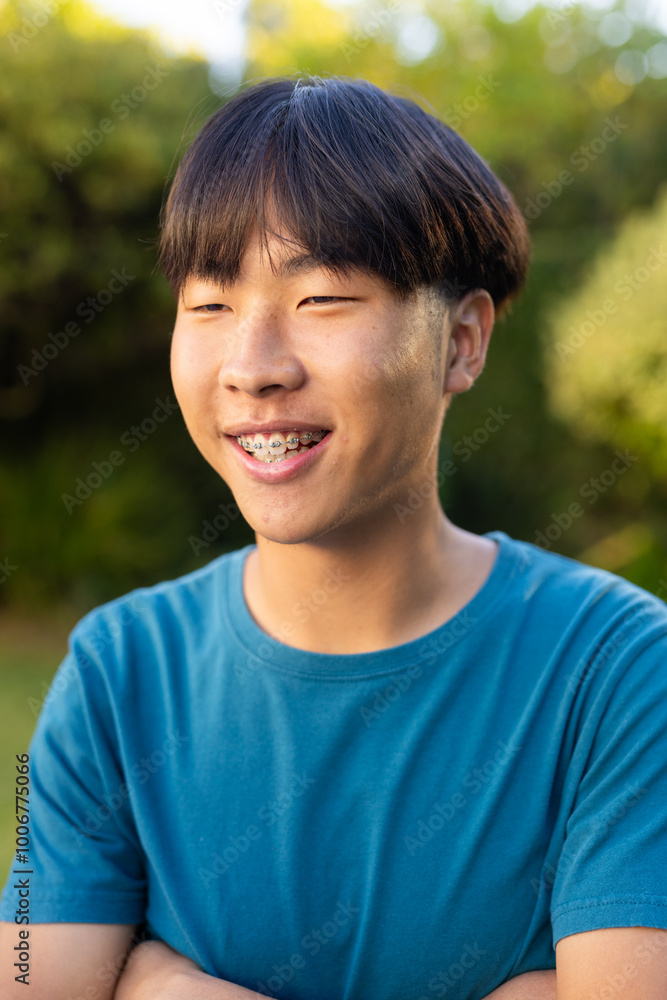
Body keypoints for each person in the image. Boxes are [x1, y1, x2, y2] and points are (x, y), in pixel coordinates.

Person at [1, 73, 667, 1000]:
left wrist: (155, 986)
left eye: (321, 299)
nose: (253, 365)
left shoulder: (618, 670)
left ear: (463, 341)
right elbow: (27, 977)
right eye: (210, 303)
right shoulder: (115, 672)